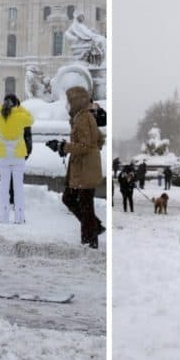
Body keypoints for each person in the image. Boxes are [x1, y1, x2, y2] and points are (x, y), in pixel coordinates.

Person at [47, 86, 103, 248]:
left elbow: (85, 145)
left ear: (77, 102)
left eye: (70, 102)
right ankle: (94, 229)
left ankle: (90, 241)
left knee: (84, 204)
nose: (68, 106)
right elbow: (98, 139)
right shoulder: (83, 116)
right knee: (73, 199)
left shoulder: (84, 118)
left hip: (85, 168)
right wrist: (63, 147)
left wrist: (63, 146)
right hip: (83, 166)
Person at [0, 94, 34, 224]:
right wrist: (19, 108)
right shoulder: (21, 117)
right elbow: (31, 119)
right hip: (18, 155)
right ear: (16, 104)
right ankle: (19, 218)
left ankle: (4, 217)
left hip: (3, 156)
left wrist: (0, 108)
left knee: (4, 188)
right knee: (18, 188)